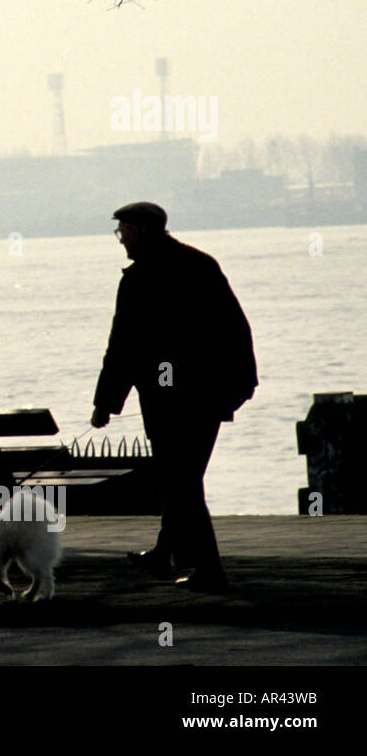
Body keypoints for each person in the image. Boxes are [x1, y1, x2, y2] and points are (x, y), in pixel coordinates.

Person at [91, 202, 257, 592]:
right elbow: (236, 327)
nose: (121, 241)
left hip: (171, 402)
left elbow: (124, 348)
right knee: (180, 478)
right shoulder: (200, 264)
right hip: (211, 394)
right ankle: (166, 551)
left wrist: (104, 403)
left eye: (124, 232)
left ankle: (209, 570)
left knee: (181, 482)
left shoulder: (139, 280)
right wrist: (242, 385)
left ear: (143, 231)